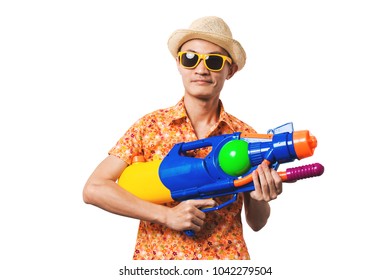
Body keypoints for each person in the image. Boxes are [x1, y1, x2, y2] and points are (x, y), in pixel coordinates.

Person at [83, 16, 282, 260]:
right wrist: (165, 215)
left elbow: (257, 223)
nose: (201, 69)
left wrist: (260, 195)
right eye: (190, 58)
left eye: (214, 61)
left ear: (230, 70)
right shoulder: (150, 127)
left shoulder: (246, 136)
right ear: (179, 64)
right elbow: (94, 189)